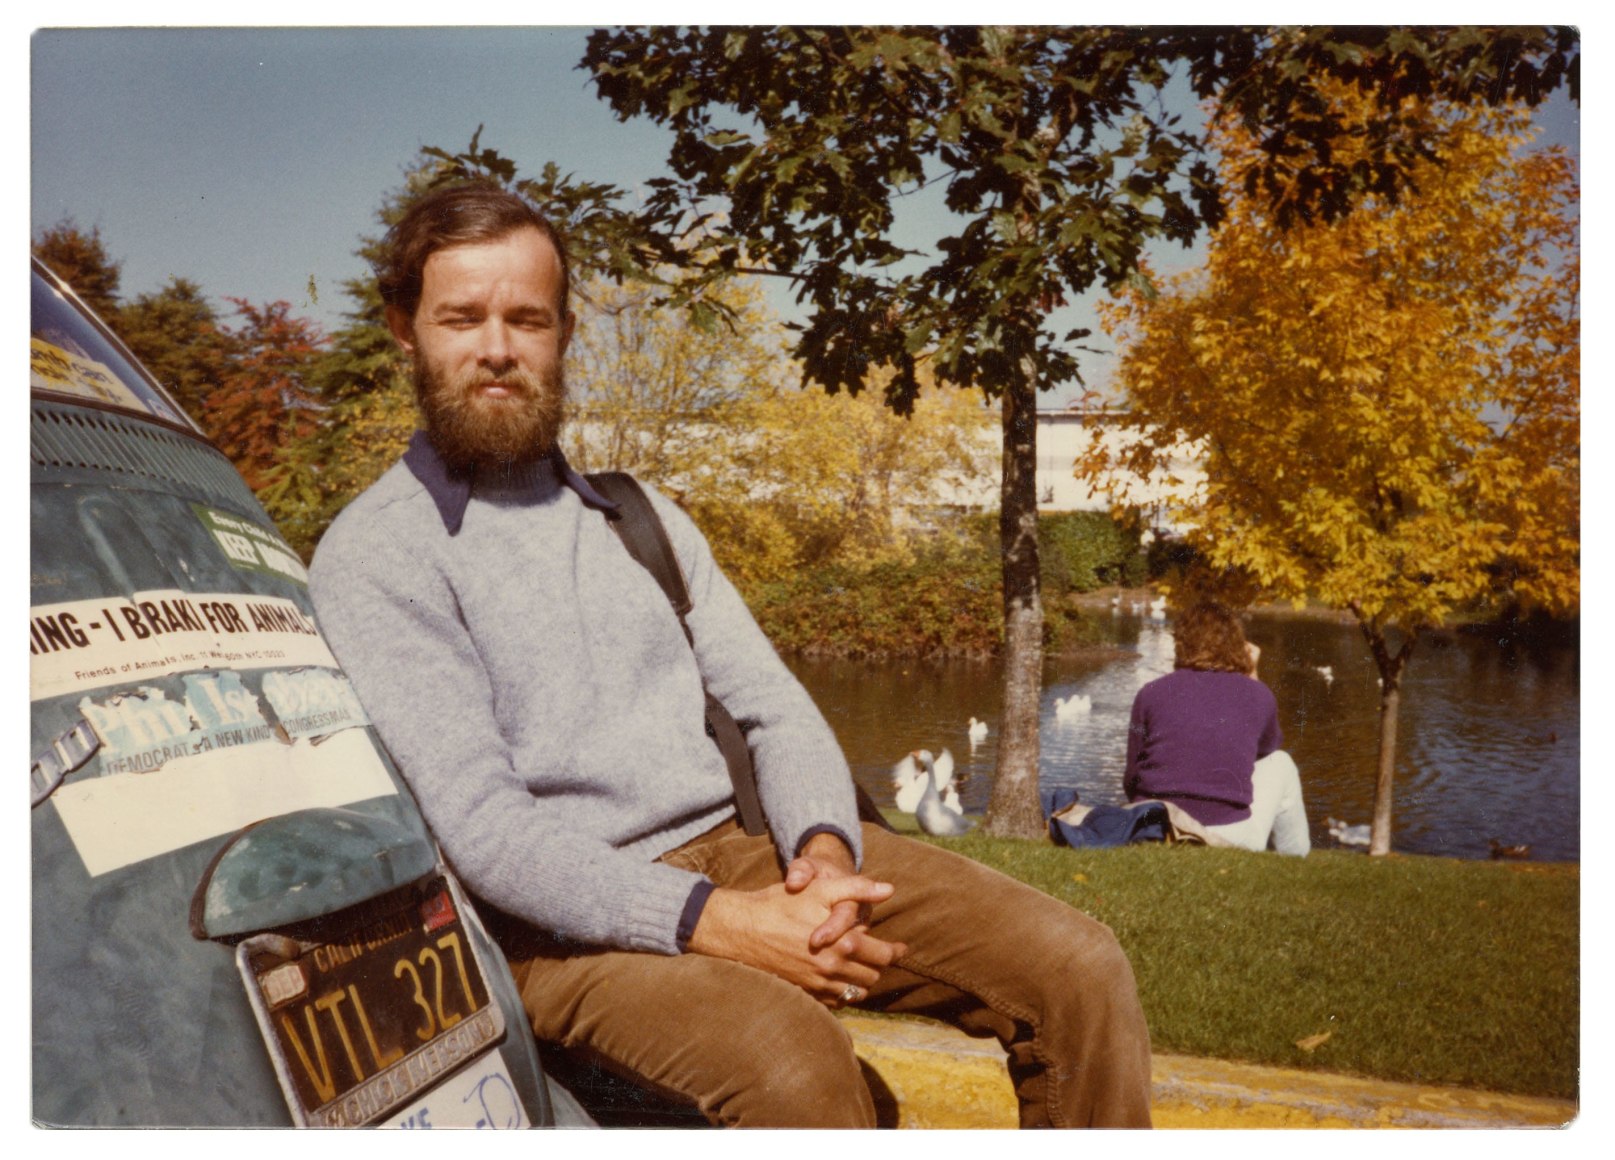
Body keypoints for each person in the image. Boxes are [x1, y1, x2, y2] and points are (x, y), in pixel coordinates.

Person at [307, 182, 1153, 1129]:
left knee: (1075, 969)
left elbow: (773, 709)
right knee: (794, 1065)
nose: (497, 348)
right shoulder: (380, 553)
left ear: (564, 333)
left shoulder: (639, 516)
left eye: (527, 318)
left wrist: (822, 857)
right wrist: (722, 924)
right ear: (404, 329)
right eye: (462, 318)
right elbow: (488, 832)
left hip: (744, 856)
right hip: (559, 933)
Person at [1123, 602, 1311, 856]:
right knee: (1282, 762)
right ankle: (1294, 859)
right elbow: (1265, 751)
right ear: (1239, 644)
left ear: (1181, 643)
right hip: (1225, 833)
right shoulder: (1258, 694)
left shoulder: (1151, 693)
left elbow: (1132, 776)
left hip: (1154, 825)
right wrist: (1252, 673)